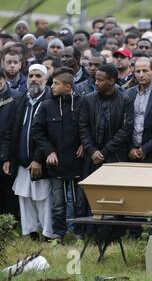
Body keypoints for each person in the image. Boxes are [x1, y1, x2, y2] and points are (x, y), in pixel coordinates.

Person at [32, 68, 87, 242]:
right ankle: (59, 234)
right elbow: (37, 131)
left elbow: (89, 127)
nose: (52, 86)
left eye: (56, 83)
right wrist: (48, 151)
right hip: (56, 163)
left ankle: (79, 234)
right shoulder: (47, 105)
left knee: (80, 201)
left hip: (78, 161)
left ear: (68, 87)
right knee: (58, 203)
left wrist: (84, 144)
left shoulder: (82, 103)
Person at [0, 64, 53, 241]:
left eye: (38, 76)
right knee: (25, 197)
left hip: (41, 161)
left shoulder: (51, 100)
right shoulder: (21, 98)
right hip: (22, 161)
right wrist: (7, 157)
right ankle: (31, 233)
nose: (34, 79)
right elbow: (11, 130)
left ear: (46, 79)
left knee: (43, 199)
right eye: (31, 76)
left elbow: (49, 134)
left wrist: (38, 159)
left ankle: (47, 234)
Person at [79, 64, 134, 177]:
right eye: (96, 79)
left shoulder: (125, 100)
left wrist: (104, 152)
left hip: (116, 155)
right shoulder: (88, 100)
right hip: (92, 156)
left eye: (100, 80)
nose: (96, 83)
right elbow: (83, 127)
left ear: (111, 81)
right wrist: (92, 150)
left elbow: (126, 129)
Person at [125, 57, 152, 163]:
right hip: (131, 152)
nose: (141, 75)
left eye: (145, 71)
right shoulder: (128, 94)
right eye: (138, 71)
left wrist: (145, 149)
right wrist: (130, 148)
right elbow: (124, 124)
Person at [0, 69, 20, 219]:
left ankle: (9, 225)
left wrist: (7, 156)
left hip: (8, 152)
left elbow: (14, 128)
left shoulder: (16, 97)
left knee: (8, 191)